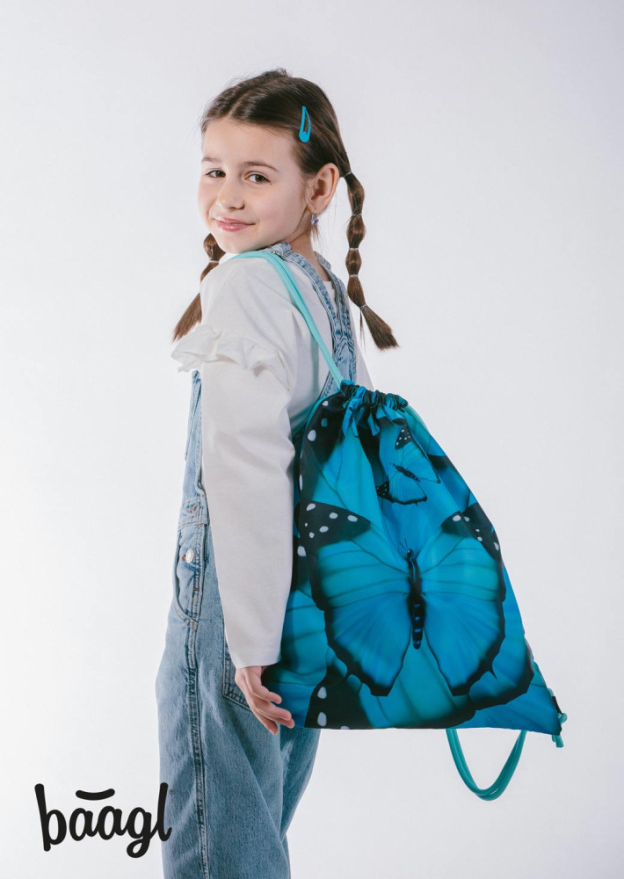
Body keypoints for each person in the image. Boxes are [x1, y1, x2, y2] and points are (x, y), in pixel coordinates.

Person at [155, 68, 399, 879]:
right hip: (307, 599)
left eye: (257, 176)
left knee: (218, 841)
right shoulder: (321, 290)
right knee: (255, 827)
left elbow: (247, 466)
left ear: (319, 188)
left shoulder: (246, 285)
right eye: (214, 169)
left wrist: (248, 637)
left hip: (242, 604)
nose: (227, 195)